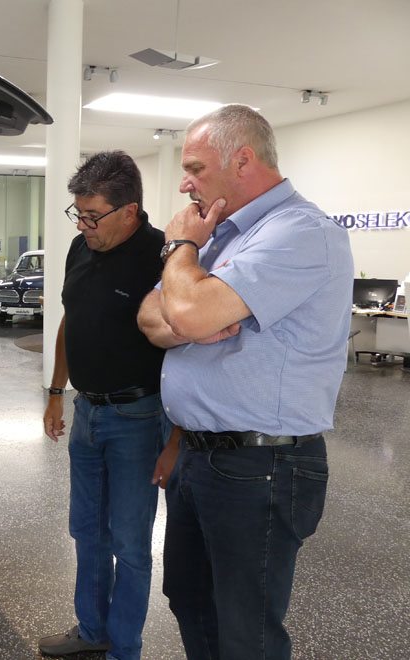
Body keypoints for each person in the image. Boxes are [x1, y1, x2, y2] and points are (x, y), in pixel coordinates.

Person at [138, 104, 353, 659]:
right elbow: (151, 317)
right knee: (190, 600)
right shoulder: (222, 233)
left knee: (245, 632)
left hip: (261, 465)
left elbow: (183, 313)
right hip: (199, 455)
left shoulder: (300, 232)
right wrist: (189, 312)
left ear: (242, 160)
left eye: (194, 168)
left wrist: (180, 251)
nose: (184, 184)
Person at [39, 151, 167, 660]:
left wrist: (177, 437)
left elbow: (189, 350)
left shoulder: (163, 257)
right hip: (86, 413)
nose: (83, 225)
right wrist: (56, 393)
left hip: (139, 418)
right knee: (87, 531)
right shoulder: (80, 248)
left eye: (93, 216)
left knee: (130, 543)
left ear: (129, 211)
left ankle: (124, 649)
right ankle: (92, 632)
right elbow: (71, 321)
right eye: (79, 213)